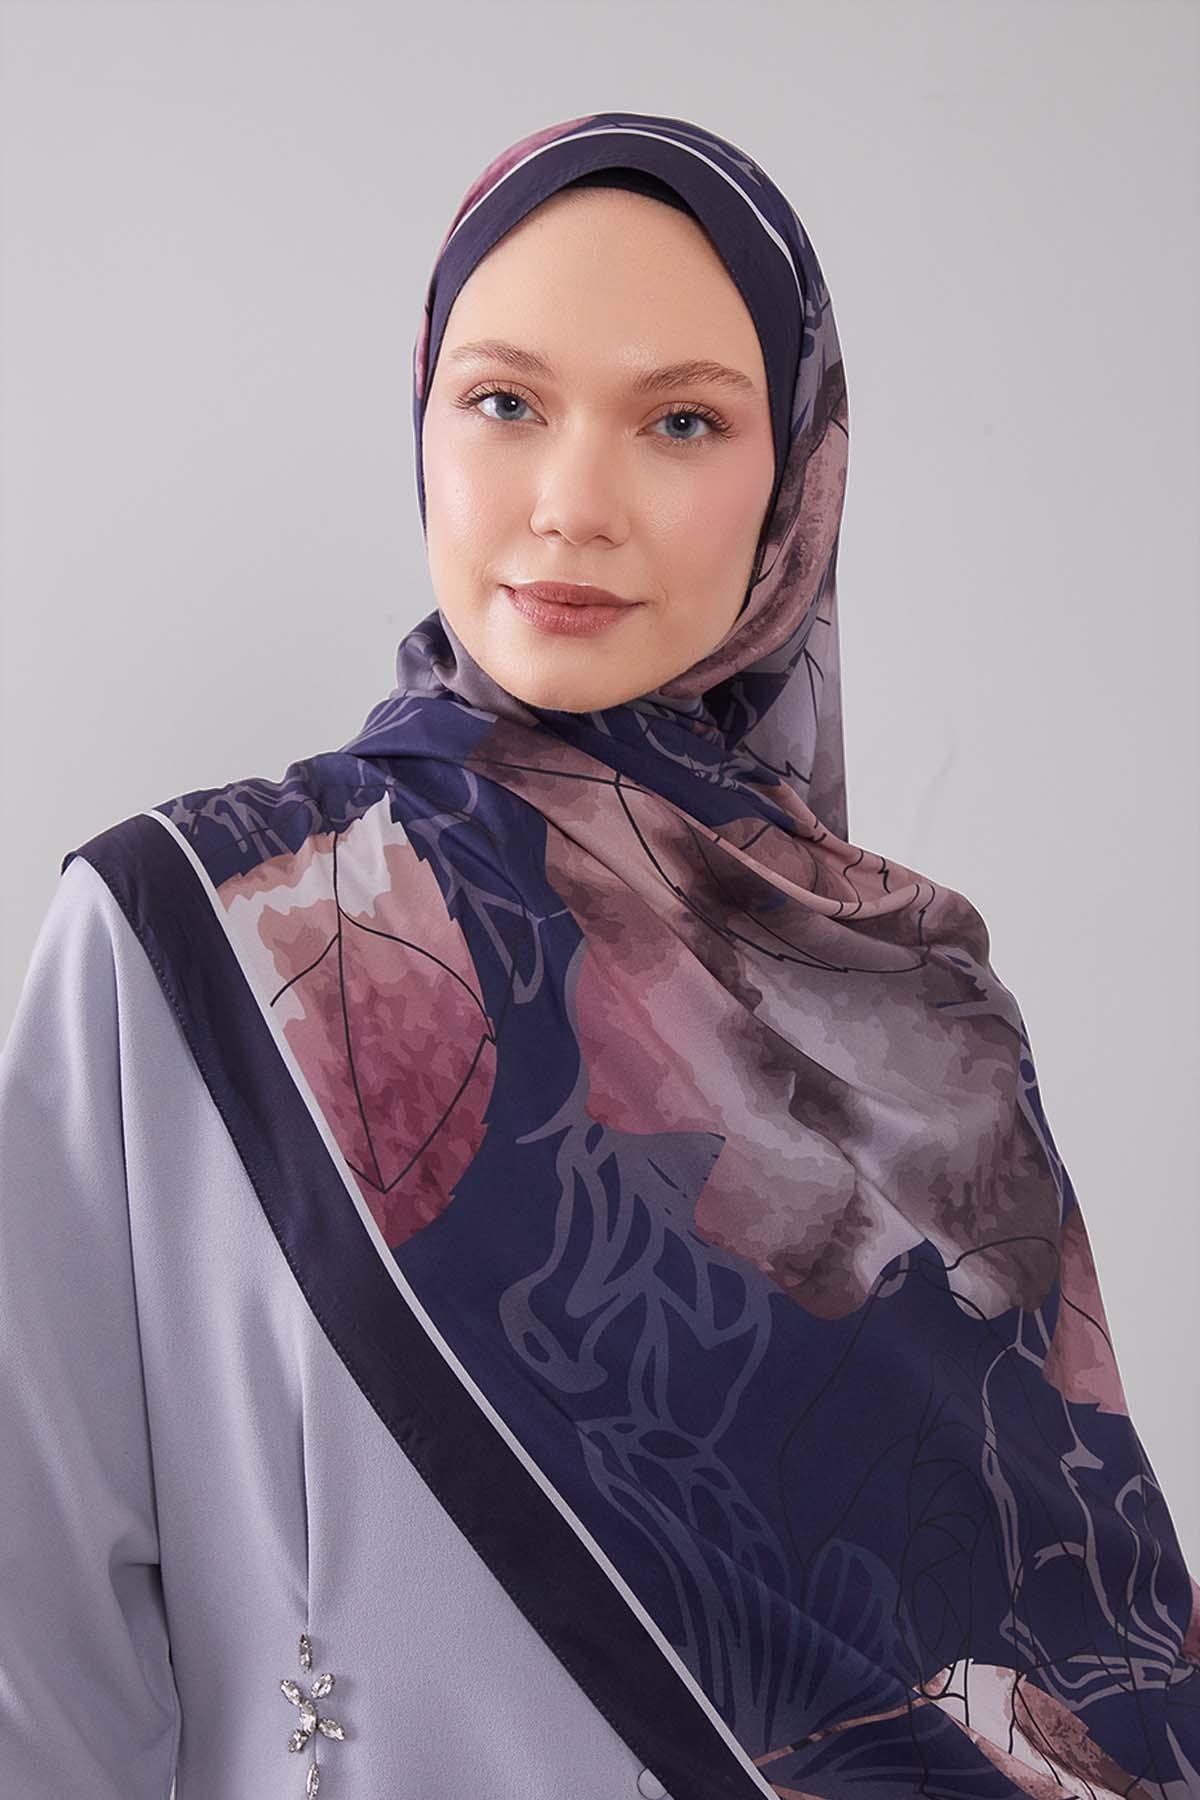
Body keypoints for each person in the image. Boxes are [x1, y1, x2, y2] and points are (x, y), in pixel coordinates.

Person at [1, 108, 1196, 1800]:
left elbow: (1061, 1658)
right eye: (504, 402)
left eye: (683, 421)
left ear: (796, 485)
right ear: (423, 422)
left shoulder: (918, 1019)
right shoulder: (195, 934)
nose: (572, 505)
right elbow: (37, 1650)